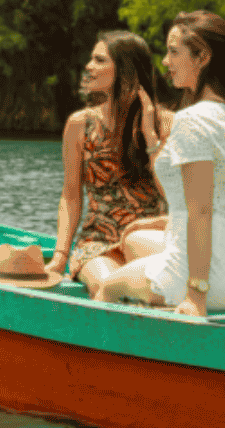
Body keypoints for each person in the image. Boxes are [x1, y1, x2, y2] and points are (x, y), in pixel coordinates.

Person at [98, 11, 225, 316]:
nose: (165, 61)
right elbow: (206, 198)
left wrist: (196, 297)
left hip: (214, 279)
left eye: (174, 51)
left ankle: (103, 360)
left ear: (202, 57)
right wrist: (150, 137)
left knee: (108, 287)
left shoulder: (192, 120)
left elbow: (201, 212)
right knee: (135, 240)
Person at [46, 32, 171, 295]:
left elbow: (174, 194)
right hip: (98, 243)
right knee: (110, 285)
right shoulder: (80, 124)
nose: (89, 67)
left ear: (125, 71)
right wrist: (60, 256)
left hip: (149, 239)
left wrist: (150, 136)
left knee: (158, 288)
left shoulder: (167, 124)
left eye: (99, 60)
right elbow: (71, 196)